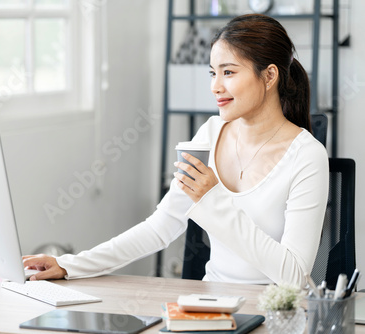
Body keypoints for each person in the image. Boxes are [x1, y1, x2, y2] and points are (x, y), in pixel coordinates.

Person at [22, 14, 329, 288]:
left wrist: (213, 201)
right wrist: (70, 264)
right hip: (213, 309)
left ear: (270, 75)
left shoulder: (307, 156)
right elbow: (160, 227)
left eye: (229, 72)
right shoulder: (210, 134)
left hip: (277, 314)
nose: (216, 87)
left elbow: (293, 275)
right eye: (212, 73)